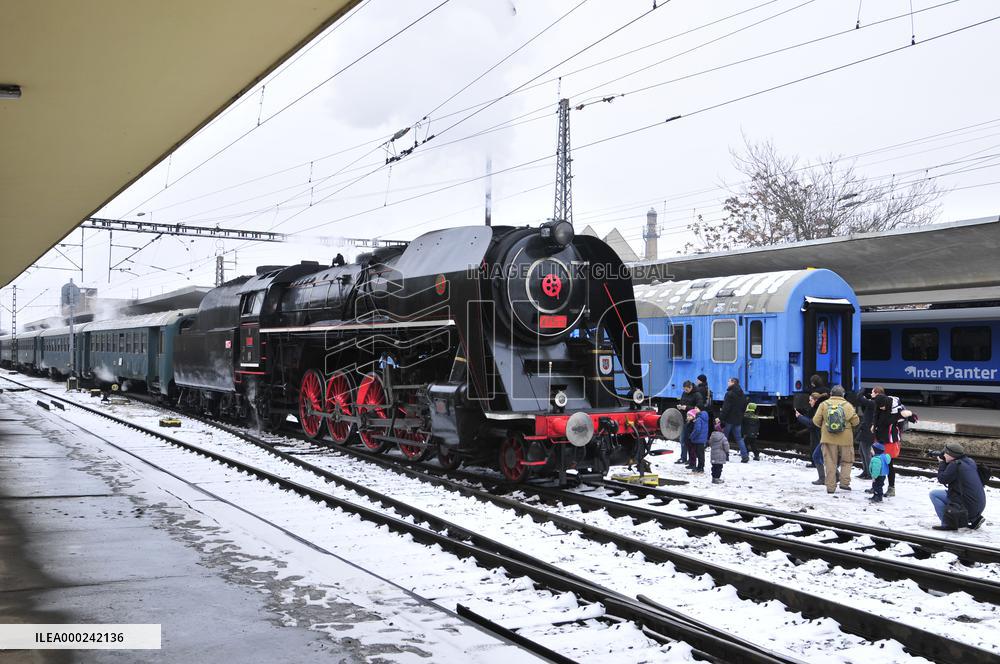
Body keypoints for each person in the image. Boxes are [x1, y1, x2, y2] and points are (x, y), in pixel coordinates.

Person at [812, 384, 860, 493]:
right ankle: (844, 483)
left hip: (828, 438)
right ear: (843, 395)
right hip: (846, 440)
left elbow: (815, 420)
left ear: (831, 394)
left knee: (829, 462)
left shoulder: (824, 404)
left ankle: (830, 487)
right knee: (847, 461)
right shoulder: (848, 405)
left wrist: (824, 427)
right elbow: (856, 422)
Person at [929, 442, 987, 531]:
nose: (943, 455)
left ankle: (947, 524)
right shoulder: (970, 461)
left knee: (934, 494)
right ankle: (973, 519)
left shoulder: (955, 465)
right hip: (978, 505)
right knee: (952, 493)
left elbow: (942, 479)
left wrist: (941, 463)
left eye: (945, 453)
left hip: (968, 507)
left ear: (951, 455)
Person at [796, 394, 826, 486]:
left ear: (816, 400)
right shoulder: (818, 408)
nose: (809, 402)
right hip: (821, 436)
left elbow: (812, 423)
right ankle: (832, 477)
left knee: (818, 456)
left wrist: (800, 417)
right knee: (823, 457)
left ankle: (823, 478)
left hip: (822, 436)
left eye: (811, 400)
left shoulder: (819, 410)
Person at [720, 377, 749, 462]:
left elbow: (726, 408)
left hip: (729, 419)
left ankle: (725, 456)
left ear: (733, 382)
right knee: (739, 438)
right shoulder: (742, 394)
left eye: (729, 381)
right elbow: (744, 407)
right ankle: (745, 456)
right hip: (738, 420)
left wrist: (721, 418)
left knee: (725, 438)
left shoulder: (729, 394)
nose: (728, 382)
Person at [675, 381, 705, 465]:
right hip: (684, 419)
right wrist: (680, 406)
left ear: (691, 387)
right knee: (682, 439)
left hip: (692, 421)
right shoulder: (684, 393)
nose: (685, 391)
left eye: (687, 389)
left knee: (690, 441)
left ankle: (691, 459)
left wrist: (686, 407)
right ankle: (683, 457)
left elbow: (699, 408)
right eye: (684, 389)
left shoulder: (697, 395)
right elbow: (682, 402)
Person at [686, 406, 709, 473]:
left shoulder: (698, 419)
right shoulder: (704, 417)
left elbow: (697, 430)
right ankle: (700, 467)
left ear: (700, 409)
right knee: (701, 454)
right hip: (702, 439)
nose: (695, 409)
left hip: (698, 439)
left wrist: (691, 436)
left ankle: (700, 468)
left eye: (696, 408)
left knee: (699, 454)